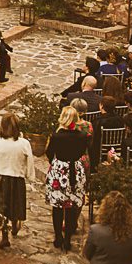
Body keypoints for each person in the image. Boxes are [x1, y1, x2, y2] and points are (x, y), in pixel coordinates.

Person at [0, 113, 36, 248]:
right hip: (16, 178)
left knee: (1, 208)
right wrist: (29, 175)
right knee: (14, 203)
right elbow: (30, 162)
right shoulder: (24, 144)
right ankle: (15, 224)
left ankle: (4, 236)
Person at [45, 106, 89, 251]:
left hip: (60, 170)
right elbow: (83, 151)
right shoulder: (83, 135)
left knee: (57, 206)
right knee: (71, 207)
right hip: (75, 170)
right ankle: (68, 239)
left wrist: (55, 162)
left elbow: (49, 152)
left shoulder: (56, 136)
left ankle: (58, 237)